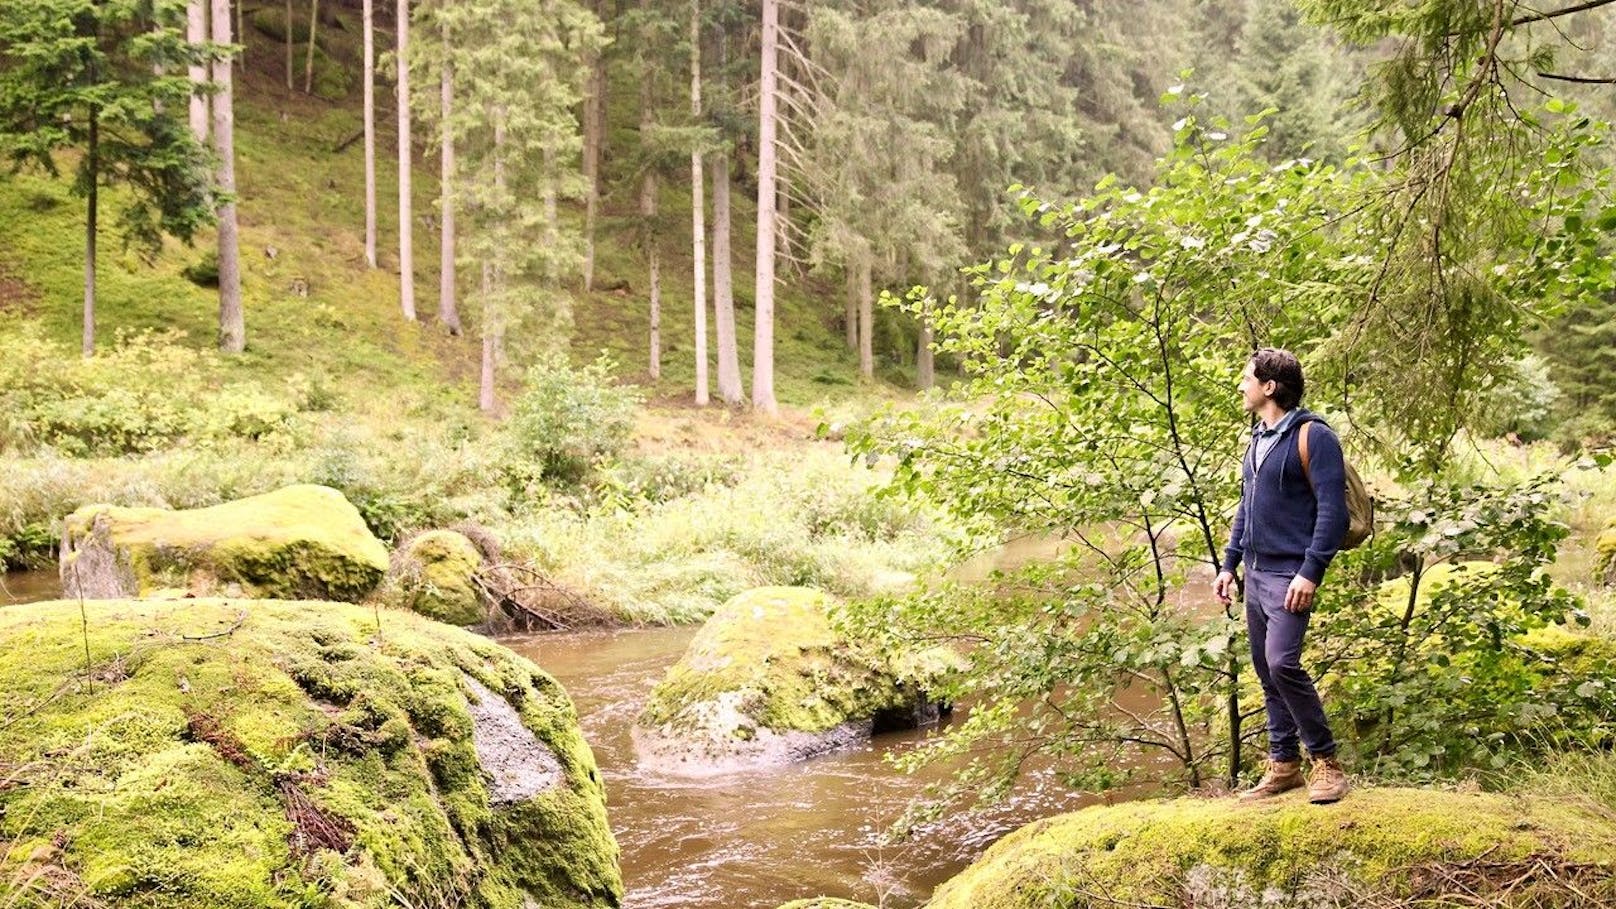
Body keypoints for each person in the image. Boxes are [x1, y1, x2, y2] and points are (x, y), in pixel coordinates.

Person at [1212, 347, 1350, 804]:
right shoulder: (1257, 438)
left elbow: (1332, 513)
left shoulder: (1315, 437)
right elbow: (1245, 508)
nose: (1241, 385)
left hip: (1291, 572)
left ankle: (1327, 765)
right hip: (1256, 570)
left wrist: (1311, 572)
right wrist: (1229, 563)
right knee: (1265, 673)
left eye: (1246, 377)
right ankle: (1284, 765)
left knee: (1282, 663)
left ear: (1270, 387)